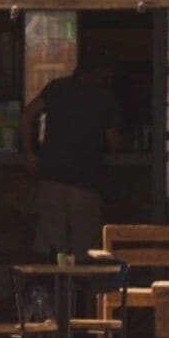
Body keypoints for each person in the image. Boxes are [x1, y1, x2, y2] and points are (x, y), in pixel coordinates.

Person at [27, 58, 117, 258]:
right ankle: (80, 287)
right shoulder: (103, 98)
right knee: (85, 248)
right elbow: (114, 143)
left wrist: (30, 152)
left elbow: (28, 114)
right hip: (85, 182)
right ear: (97, 74)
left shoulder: (56, 88)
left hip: (52, 178)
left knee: (51, 246)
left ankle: (54, 286)